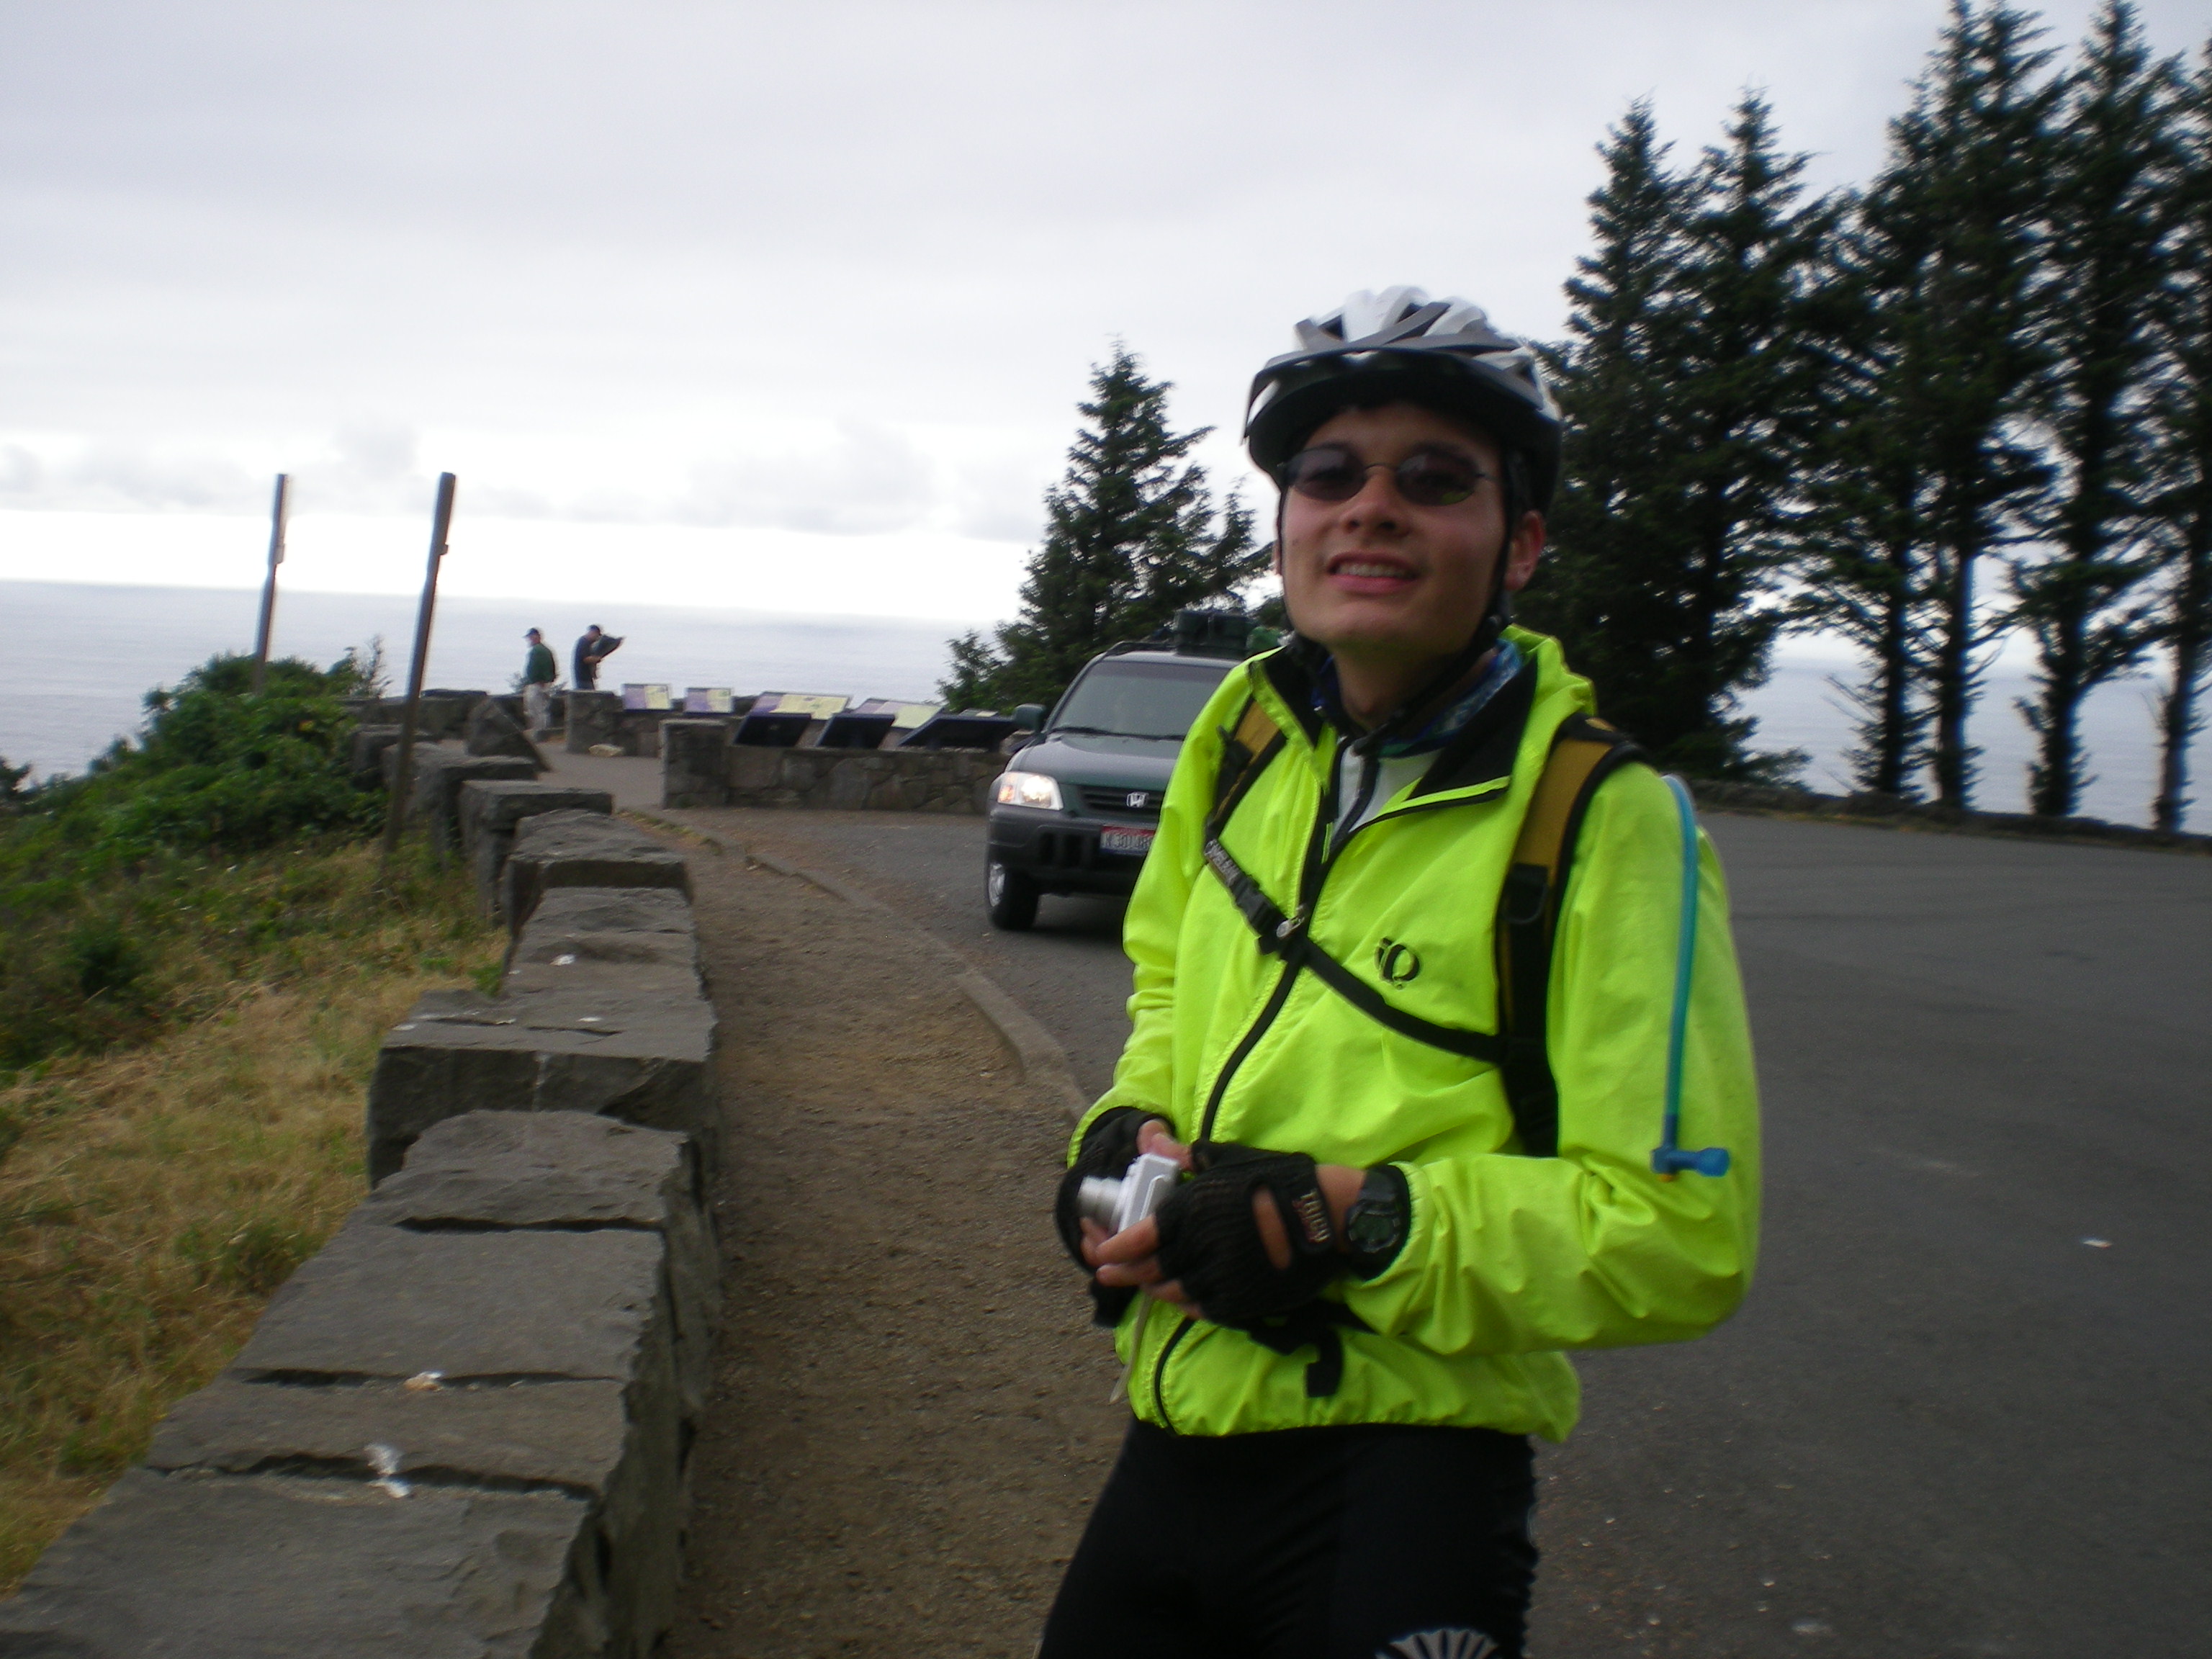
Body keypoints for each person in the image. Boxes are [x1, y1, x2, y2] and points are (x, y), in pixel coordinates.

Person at [1042, 288, 1761, 1659]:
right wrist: (1126, 1126)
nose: (1370, 506)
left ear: (1519, 542)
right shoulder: (1244, 735)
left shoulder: (1606, 819)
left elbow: (1678, 1232)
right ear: (1286, 524)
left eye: (1434, 478)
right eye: (1330, 473)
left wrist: (1350, 1219)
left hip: (1403, 1476)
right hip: (1177, 1422)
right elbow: (1167, 988)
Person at [521, 628, 558, 733]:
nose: (529, 640)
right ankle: (540, 730)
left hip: (538, 684)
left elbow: (542, 667)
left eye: (530, 637)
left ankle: (540, 731)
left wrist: (543, 681)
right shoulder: (544, 650)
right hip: (540, 683)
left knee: (536, 709)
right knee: (539, 708)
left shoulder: (538, 650)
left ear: (536, 637)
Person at [572, 624, 623, 690]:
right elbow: (586, 659)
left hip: (587, 678)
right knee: (589, 694)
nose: (597, 638)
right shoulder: (583, 642)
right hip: (583, 679)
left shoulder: (588, 643)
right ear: (593, 633)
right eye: (597, 636)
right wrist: (597, 658)